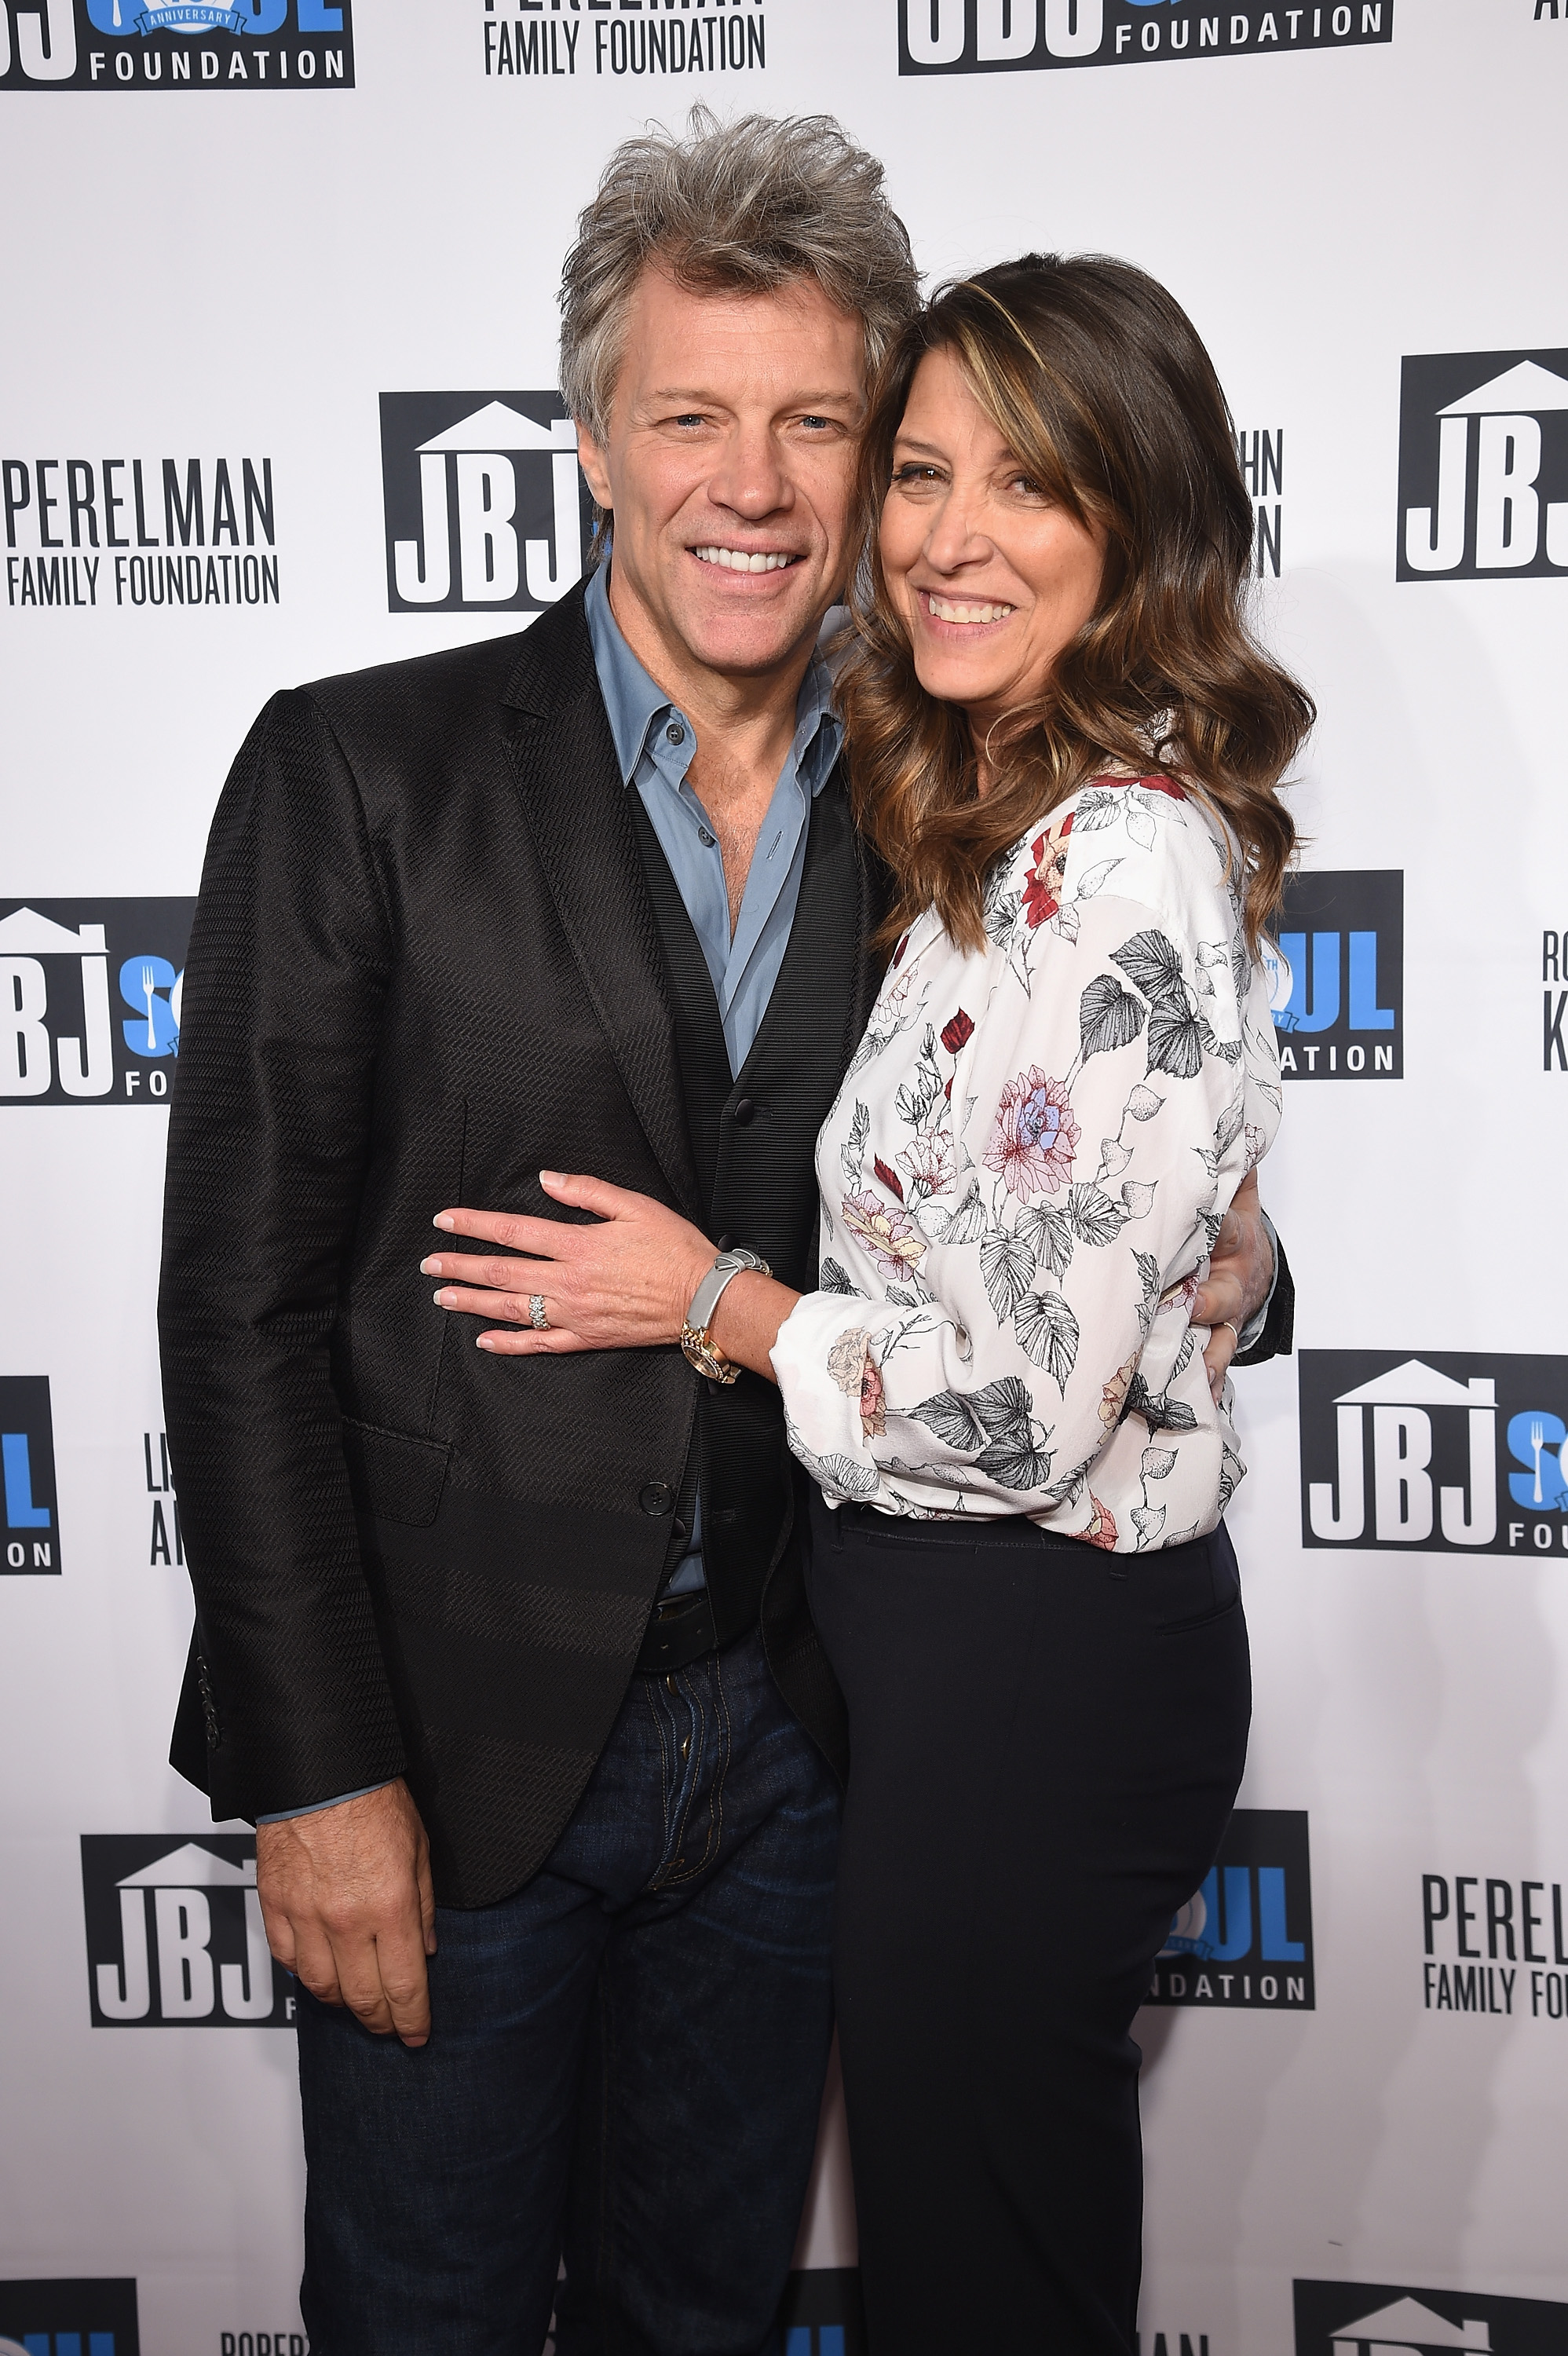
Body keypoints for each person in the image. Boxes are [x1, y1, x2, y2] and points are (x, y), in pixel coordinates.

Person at [159, 100, 1286, 2354]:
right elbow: (244, 1310)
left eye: (815, 426)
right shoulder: (358, 771)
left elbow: (1081, 1199)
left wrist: (1248, 1273)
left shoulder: (964, 796)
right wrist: (315, 1773)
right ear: (590, 439)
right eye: (689, 417)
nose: (751, 487)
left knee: (711, 2314)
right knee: (428, 2317)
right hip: (451, 1759)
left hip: (802, 1749)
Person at [422, 254, 1312, 2355]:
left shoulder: (1113, 855)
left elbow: (1014, 1409)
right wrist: (1236, 1268)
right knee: (970, 2250)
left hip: (1041, 1667)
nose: (945, 536)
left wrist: (712, 1301)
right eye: (919, 472)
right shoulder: (993, 823)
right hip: (958, 1672)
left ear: (1143, 522)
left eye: (1032, 484)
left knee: (986, 2277)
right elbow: (1093, 1235)